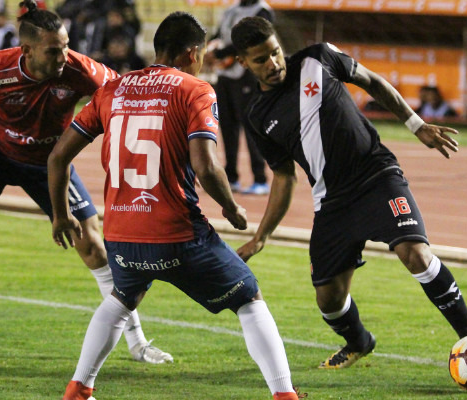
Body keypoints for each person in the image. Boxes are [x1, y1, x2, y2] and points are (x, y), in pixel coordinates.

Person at [48, 11, 302, 400]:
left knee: (121, 298)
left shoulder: (112, 89)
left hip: (121, 235)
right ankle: (285, 395)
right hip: (177, 233)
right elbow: (206, 165)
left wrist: (62, 215)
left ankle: (79, 389)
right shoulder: (195, 90)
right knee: (249, 298)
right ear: (191, 53)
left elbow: (57, 158)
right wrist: (232, 209)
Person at [0, 0, 172, 366]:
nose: (64, 55)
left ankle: (137, 342)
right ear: (27, 50)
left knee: (94, 247)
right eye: (54, 50)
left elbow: (124, 93)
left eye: (66, 45)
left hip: (51, 164)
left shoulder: (81, 70)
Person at [231, 17, 467, 369]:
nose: (273, 64)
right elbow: (284, 177)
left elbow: (373, 81)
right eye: (260, 59)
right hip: (332, 202)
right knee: (328, 300)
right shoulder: (258, 116)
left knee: (416, 254)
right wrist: (261, 236)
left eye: (275, 53)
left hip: (376, 176)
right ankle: (359, 341)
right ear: (243, 62)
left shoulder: (319, 58)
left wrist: (416, 124)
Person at [205, 0, 274, 195]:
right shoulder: (231, 10)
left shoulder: (262, 11)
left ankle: (260, 178)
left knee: (251, 126)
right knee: (227, 126)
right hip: (226, 75)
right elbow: (219, 35)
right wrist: (210, 51)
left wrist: (220, 53)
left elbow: (251, 41)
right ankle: (231, 177)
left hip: (248, 74)